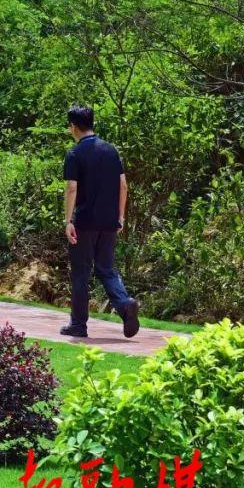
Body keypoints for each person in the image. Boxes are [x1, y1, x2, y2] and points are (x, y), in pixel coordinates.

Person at [62, 105, 139, 339]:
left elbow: (72, 188)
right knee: (106, 269)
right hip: (109, 221)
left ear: (74, 127)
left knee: (81, 273)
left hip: (85, 222)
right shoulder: (111, 150)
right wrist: (120, 216)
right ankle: (124, 304)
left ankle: (78, 325)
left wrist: (68, 220)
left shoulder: (75, 154)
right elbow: (123, 186)